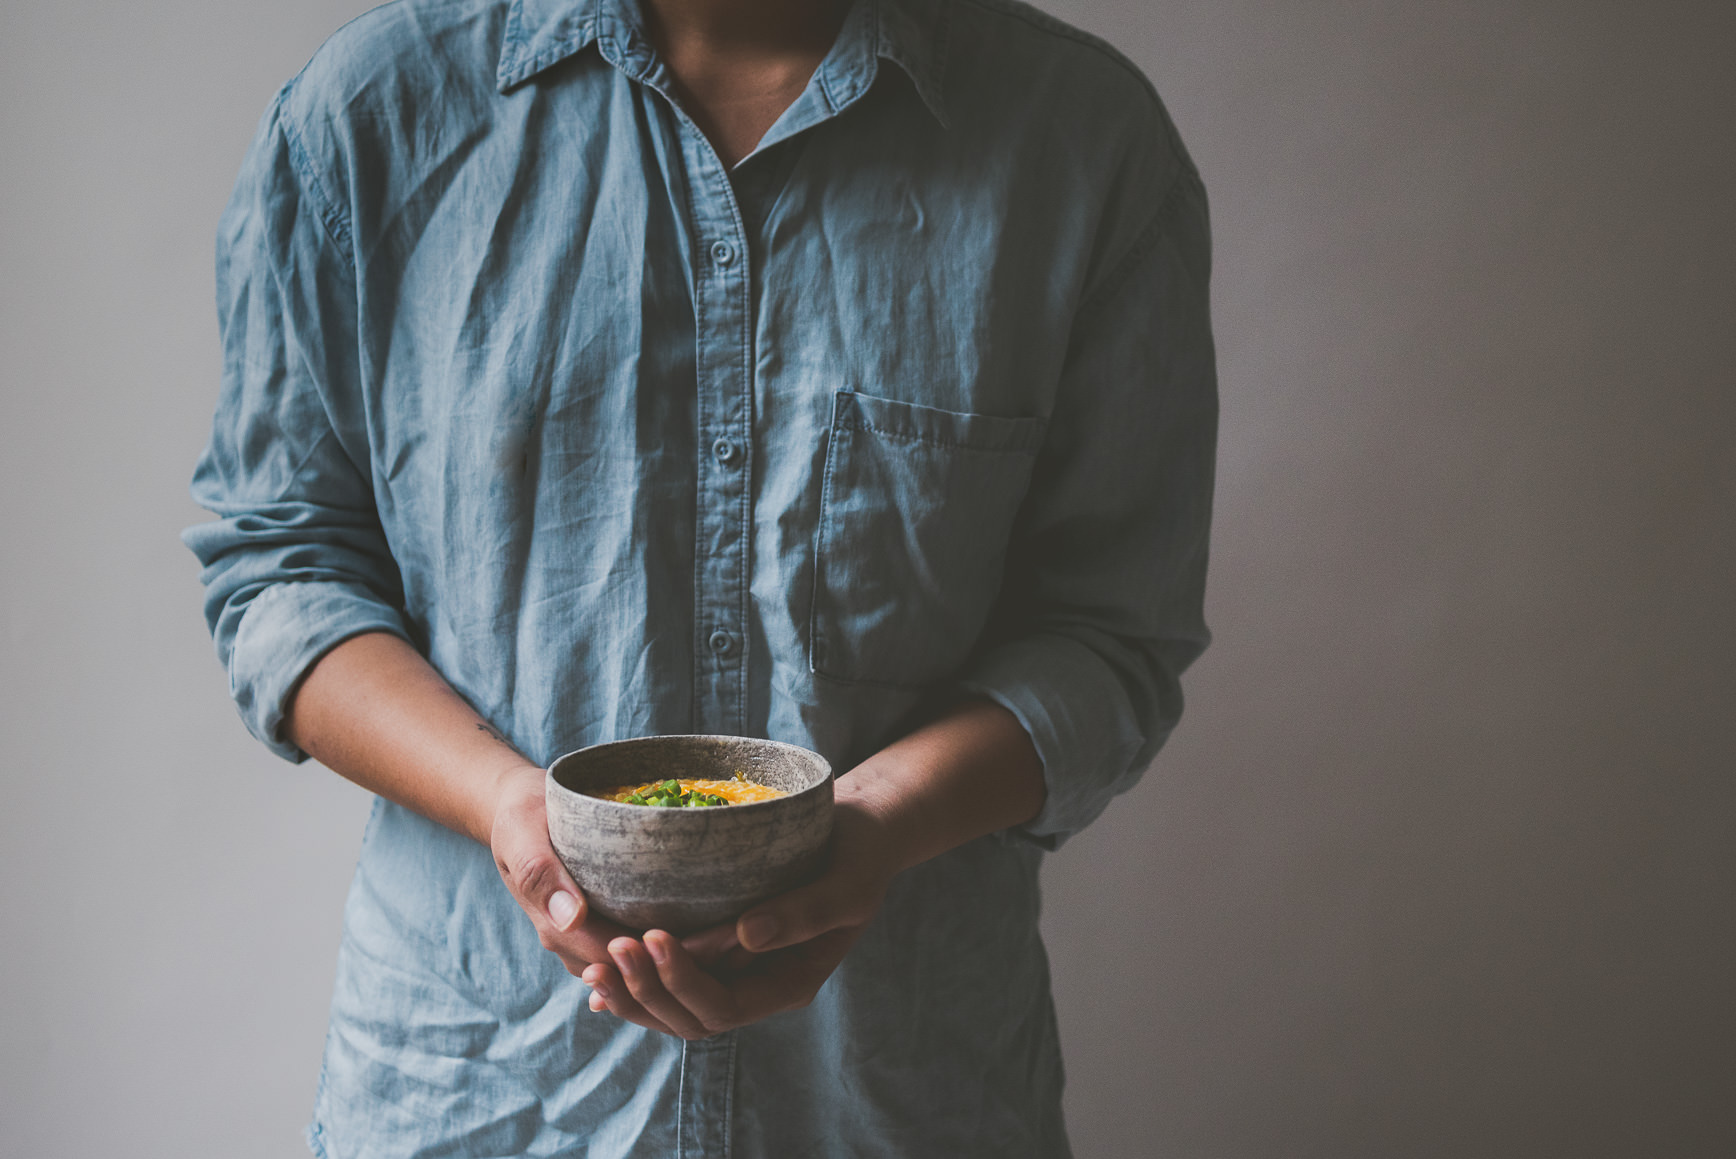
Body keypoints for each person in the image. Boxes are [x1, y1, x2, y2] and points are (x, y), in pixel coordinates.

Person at [184, 0, 1216, 1153]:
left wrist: (876, 820)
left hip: (896, 1094)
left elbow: (1107, 634)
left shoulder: (1080, 138)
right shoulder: (371, 115)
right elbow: (282, 569)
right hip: (478, 1092)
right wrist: (507, 807)